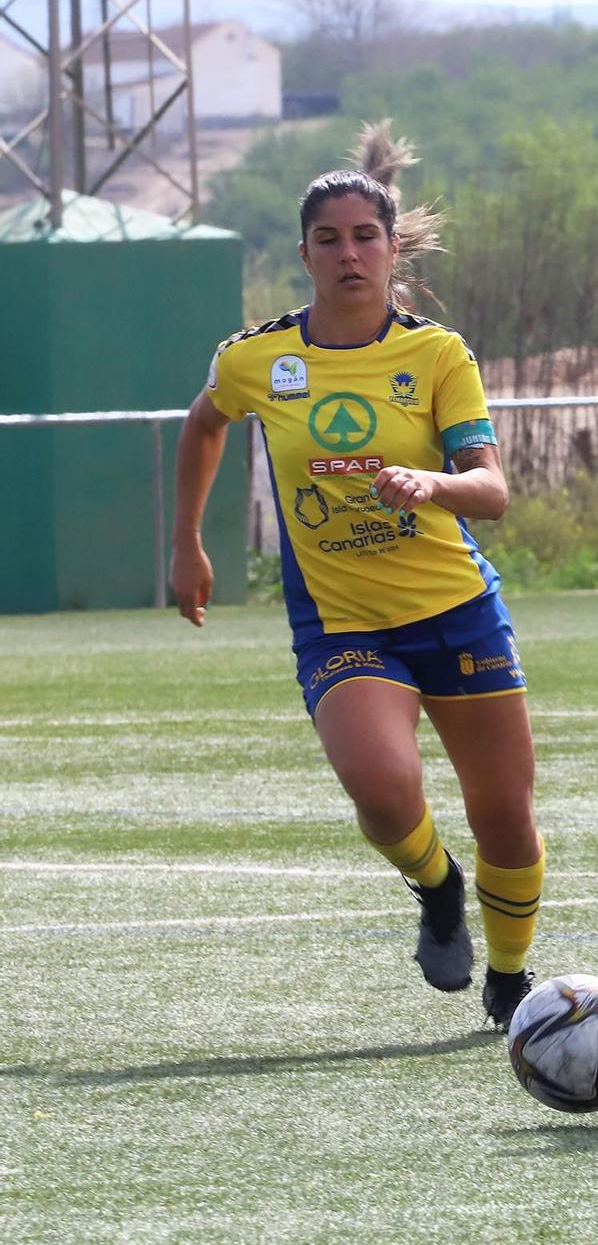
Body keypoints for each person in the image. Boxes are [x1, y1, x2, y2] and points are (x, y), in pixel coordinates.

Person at [171, 123, 546, 1030]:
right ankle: (437, 886)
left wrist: (434, 482)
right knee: (381, 789)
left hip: (456, 612)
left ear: (390, 248)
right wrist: (187, 541)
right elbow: (204, 424)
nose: (348, 253)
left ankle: (509, 976)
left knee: (506, 819)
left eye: (365, 236)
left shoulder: (436, 357)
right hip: (342, 626)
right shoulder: (258, 359)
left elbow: (492, 491)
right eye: (329, 239)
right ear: (303, 254)